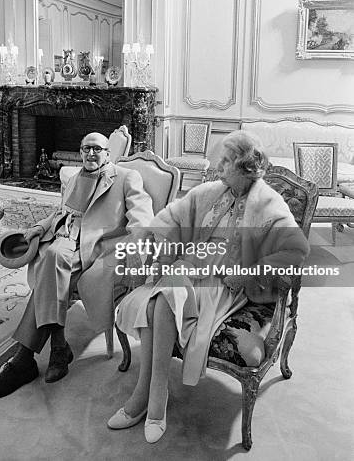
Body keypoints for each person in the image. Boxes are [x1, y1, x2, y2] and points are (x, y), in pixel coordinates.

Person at [107, 130, 310, 443]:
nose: (219, 167)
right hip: (189, 269)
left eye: (227, 162)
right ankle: (150, 400)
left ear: (246, 168)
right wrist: (144, 241)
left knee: (160, 299)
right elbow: (169, 219)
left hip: (223, 285)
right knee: (158, 297)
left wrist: (248, 274)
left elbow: (296, 251)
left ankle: (148, 402)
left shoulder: (269, 203)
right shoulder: (210, 191)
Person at [0, 132, 154, 399]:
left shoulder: (126, 177)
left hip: (95, 245)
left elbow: (143, 223)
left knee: (51, 260)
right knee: (53, 260)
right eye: (86, 149)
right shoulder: (74, 177)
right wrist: (39, 227)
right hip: (65, 238)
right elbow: (62, 212)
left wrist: (124, 251)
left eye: (97, 149)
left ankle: (24, 359)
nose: (91, 154)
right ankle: (57, 347)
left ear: (108, 153)